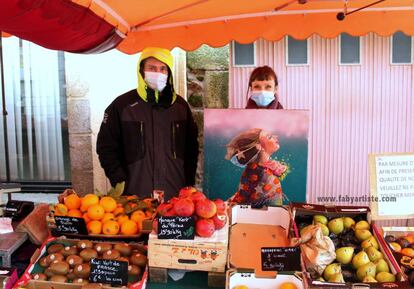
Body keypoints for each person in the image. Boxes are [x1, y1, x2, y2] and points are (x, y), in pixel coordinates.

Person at [97, 47, 199, 200]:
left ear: (169, 73)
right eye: (152, 68)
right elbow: (106, 148)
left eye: (163, 69)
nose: (158, 73)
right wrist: (120, 182)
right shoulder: (122, 106)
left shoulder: (180, 107)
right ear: (142, 71)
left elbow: (191, 148)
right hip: (134, 196)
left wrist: (188, 182)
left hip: (176, 197)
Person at [225, 128, 287, 207]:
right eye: (269, 137)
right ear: (259, 147)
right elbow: (275, 210)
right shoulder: (268, 177)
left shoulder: (251, 169)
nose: (275, 137)